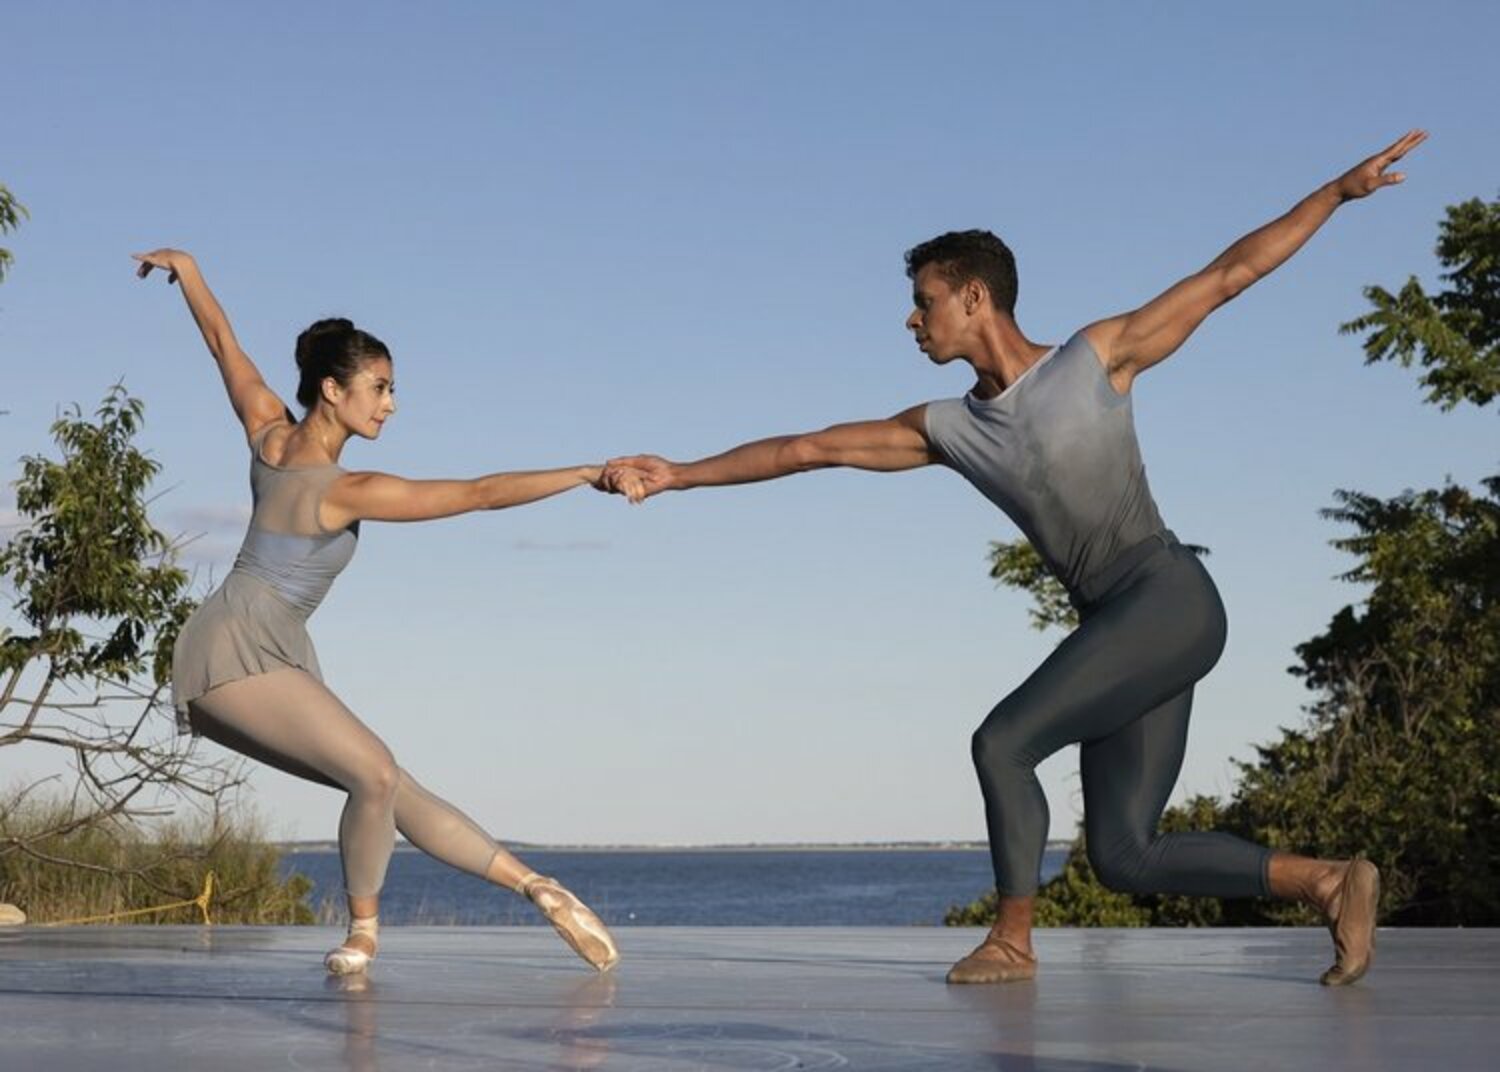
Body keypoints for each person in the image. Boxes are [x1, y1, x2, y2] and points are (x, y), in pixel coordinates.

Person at [604, 131, 1428, 986]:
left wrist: (1335, 193)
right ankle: (1330, 882)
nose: (912, 319)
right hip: (1124, 624)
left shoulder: (1096, 357)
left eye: (924, 301)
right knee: (1124, 856)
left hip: (1168, 599)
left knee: (1002, 743)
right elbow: (809, 448)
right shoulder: (948, 430)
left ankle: (1012, 940)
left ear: (973, 298)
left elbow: (1229, 275)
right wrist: (681, 475)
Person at [136, 248, 629, 975]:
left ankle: (536, 885)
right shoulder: (346, 489)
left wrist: (188, 269)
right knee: (373, 774)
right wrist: (585, 473)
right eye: (380, 388)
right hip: (236, 653)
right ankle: (362, 934)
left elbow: (221, 342)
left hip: (262, 652)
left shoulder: (266, 433)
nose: (391, 404)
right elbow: (479, 493)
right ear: (332, 390)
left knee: (389, 785)